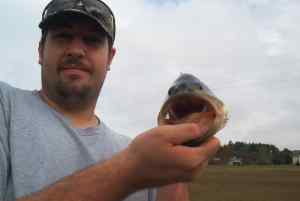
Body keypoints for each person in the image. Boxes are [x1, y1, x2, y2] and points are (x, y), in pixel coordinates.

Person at [0, 0, 220, 201]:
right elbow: (132, 166)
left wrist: (182, 148)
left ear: (110, 58)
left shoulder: (138, 153)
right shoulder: (6, 106)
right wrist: (127, 171)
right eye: (63, 36)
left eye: (92, 41)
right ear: (40, 51)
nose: (76, 50)